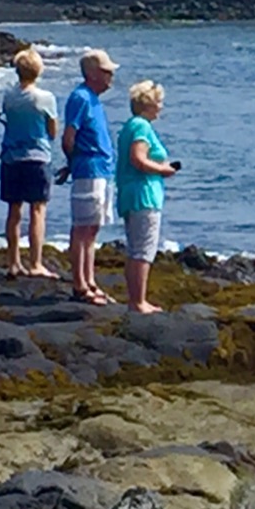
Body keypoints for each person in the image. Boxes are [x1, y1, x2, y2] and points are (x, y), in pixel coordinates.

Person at [115, 80, 179, 314]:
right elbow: (138, 159)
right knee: (143, 250)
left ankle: (135, 299)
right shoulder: (141, 127)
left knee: (135, 249)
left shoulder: (130, 125)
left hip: (131, 193)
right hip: (144, 194)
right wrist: (163, 169)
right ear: (148, 104)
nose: (161, 107)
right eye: (159, 102)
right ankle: (138, 301)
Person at [62, 47, 118, 304]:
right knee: (82, 228)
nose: (111, 78)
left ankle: (90, 279)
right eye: (107, 72)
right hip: (88, 169)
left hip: (101, 169)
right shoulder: (81, 98)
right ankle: (80, 284)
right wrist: (73, 162)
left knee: (92, 228)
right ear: (93, 73)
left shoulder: (92, 99)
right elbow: (69, 137)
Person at [0, 47, 59, 279]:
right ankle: (35, 262)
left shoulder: (9, 96)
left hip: (11, 157)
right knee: (38, 210)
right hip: (37, 157)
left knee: (14, 211)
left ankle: (13, 262)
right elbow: (52, 131)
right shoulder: (45, 98)